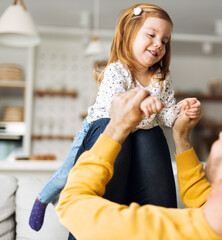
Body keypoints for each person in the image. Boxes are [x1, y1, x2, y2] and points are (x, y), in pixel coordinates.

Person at [56, 88, 222, 240]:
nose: (217, 139)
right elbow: (203, 197)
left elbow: (70, 203)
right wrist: (181, 137)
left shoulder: (154, 231)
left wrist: (116, 127)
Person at [29, 3, 200, 231]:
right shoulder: (117, 70)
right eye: (151, 35)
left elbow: (165, 116)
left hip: (141, 133)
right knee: (66, 173)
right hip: (99, 128)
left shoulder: (162, 78)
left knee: (150, 136)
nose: (159, 44)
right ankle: (42, 199)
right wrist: (141, 100)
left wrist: (181, 110)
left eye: (165, 41)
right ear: (129, 34)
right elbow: (115, 107)